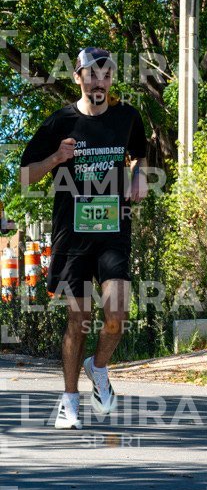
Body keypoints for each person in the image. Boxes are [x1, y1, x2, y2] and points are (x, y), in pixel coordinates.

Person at [19, 47, 148, 429]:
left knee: (117, 314)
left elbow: (139, 154)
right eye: (92, 75)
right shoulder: (60, 122)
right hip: (72, 236)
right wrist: (56, 159)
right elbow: (25, 176)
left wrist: (139, 176)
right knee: (79, 320)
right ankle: (69, 401)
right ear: (78, 78)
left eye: (106, 75)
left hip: (113, 230)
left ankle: (99, 366)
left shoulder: (127, 117)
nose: (99, 82)